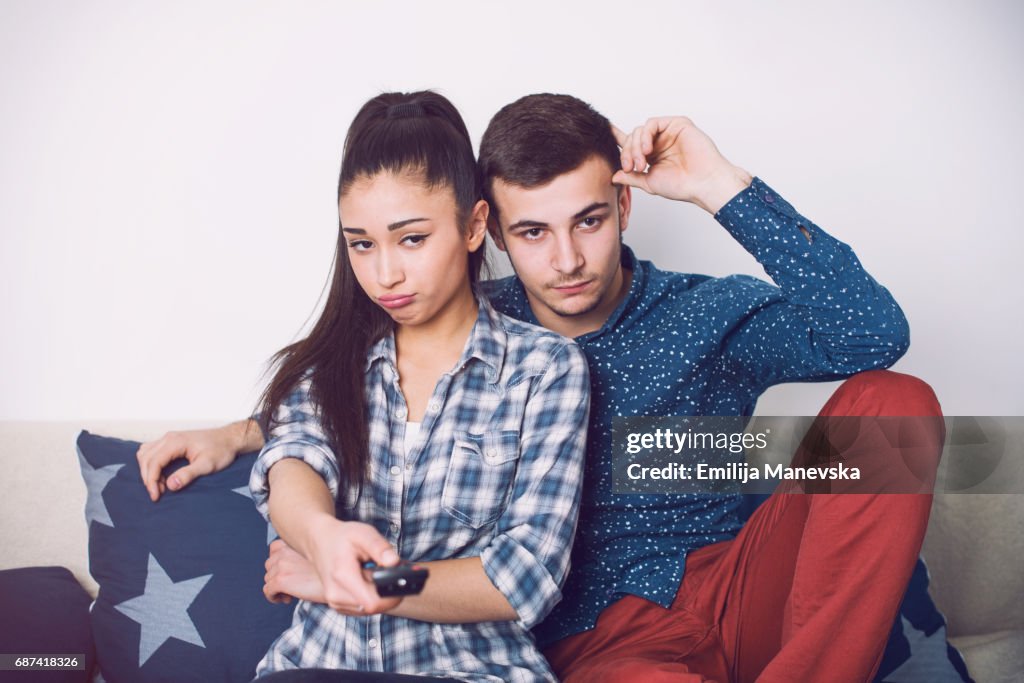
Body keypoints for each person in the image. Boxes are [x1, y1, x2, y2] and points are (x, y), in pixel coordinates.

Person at [139, 93, 943, 682]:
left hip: (737, 584)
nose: (565, 260)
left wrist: (720, 184)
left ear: (625, 204)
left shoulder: (708, 310)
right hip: (602, 640)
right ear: (488, 229)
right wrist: (240, 434)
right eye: (533, 232)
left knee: (896, 410)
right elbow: (351, 388)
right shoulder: (473, 322)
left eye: (588, 221)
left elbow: (872, 334)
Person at [186, 90, 591, 682]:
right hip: (318, 667)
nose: (385, 274)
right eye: (362, 244)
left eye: (412, 239)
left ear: (475, 225)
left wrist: (362, 582)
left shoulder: (546, 370)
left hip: (473, 671)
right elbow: (294, 462)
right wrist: (322, 537)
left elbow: (525, 576)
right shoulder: (324, 367)